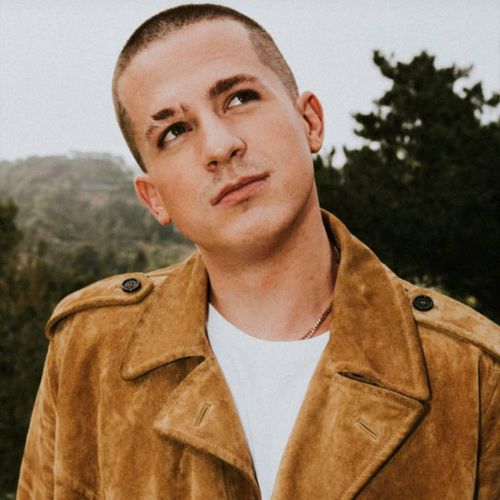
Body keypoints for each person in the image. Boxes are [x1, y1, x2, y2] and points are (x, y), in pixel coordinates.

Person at [17, 4, 499, 499]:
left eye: (239, 98)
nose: (219, 146)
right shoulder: (88, 349)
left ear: (310, 121)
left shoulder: (474, 371)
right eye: (174, 131)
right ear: (154, 197)